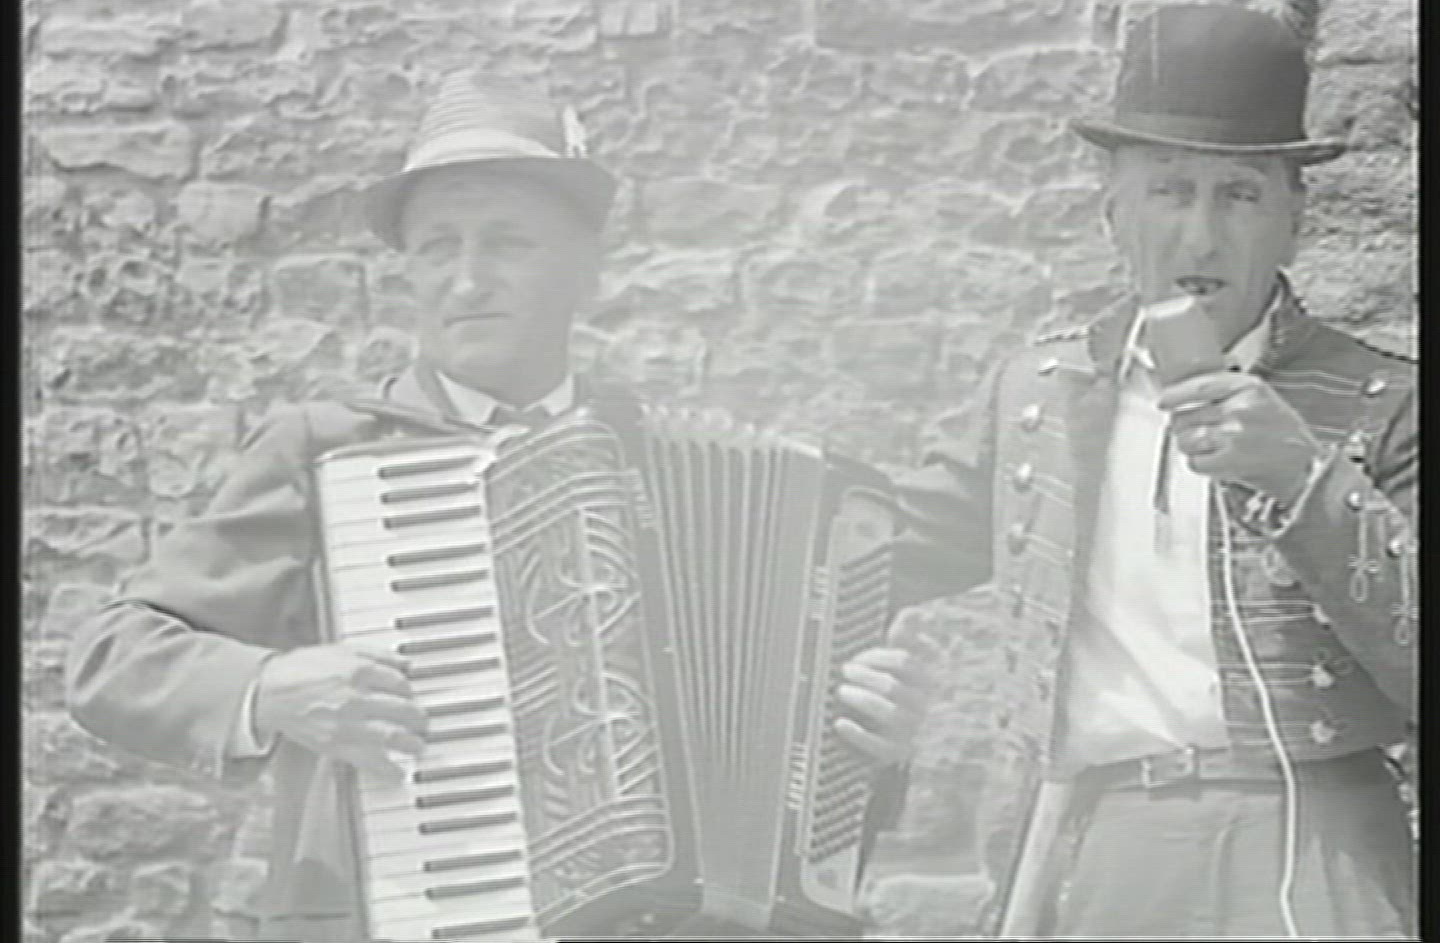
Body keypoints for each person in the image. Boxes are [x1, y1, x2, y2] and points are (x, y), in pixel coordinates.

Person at [65, 72, 933, 942]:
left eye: (507, 242)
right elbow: (113, 657)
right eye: (437, 248)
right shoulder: (327, 453)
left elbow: (772, 780)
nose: (468, 280)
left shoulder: (662, 467)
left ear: (586, 269)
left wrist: (869, 741)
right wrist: (270, 686)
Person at [890, 5, 1417, 939]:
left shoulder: (1385, 402)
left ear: (1295, 221)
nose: (1201, 238)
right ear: (1114, 214)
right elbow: (879, 543)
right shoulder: (1041, 396)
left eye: (1239, 195)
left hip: (1319, 837)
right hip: (1104, 840)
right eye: (1170, 191)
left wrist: (1305, 479)